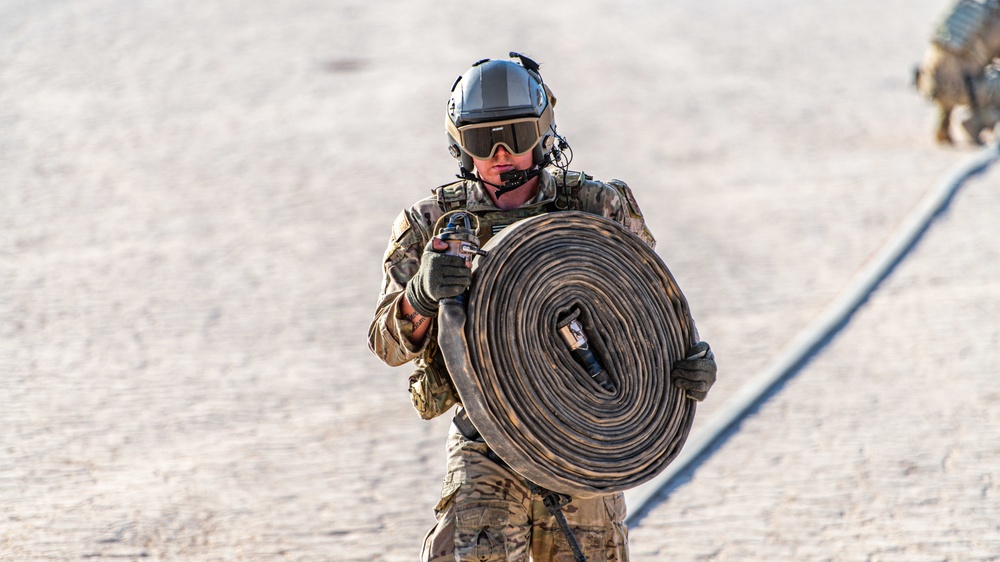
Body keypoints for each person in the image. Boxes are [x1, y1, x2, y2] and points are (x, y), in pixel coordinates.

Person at [368, 53, 717, 562]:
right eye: (484, 141)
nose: (502, 154)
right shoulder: (432, 225)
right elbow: (385, 345)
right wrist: (419, 296)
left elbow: (648, 309)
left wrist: (685, 365)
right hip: (486, 438)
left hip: (586, 437)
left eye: (517, 134)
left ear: (544, 133)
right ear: (460, 147)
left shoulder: (597, 209)